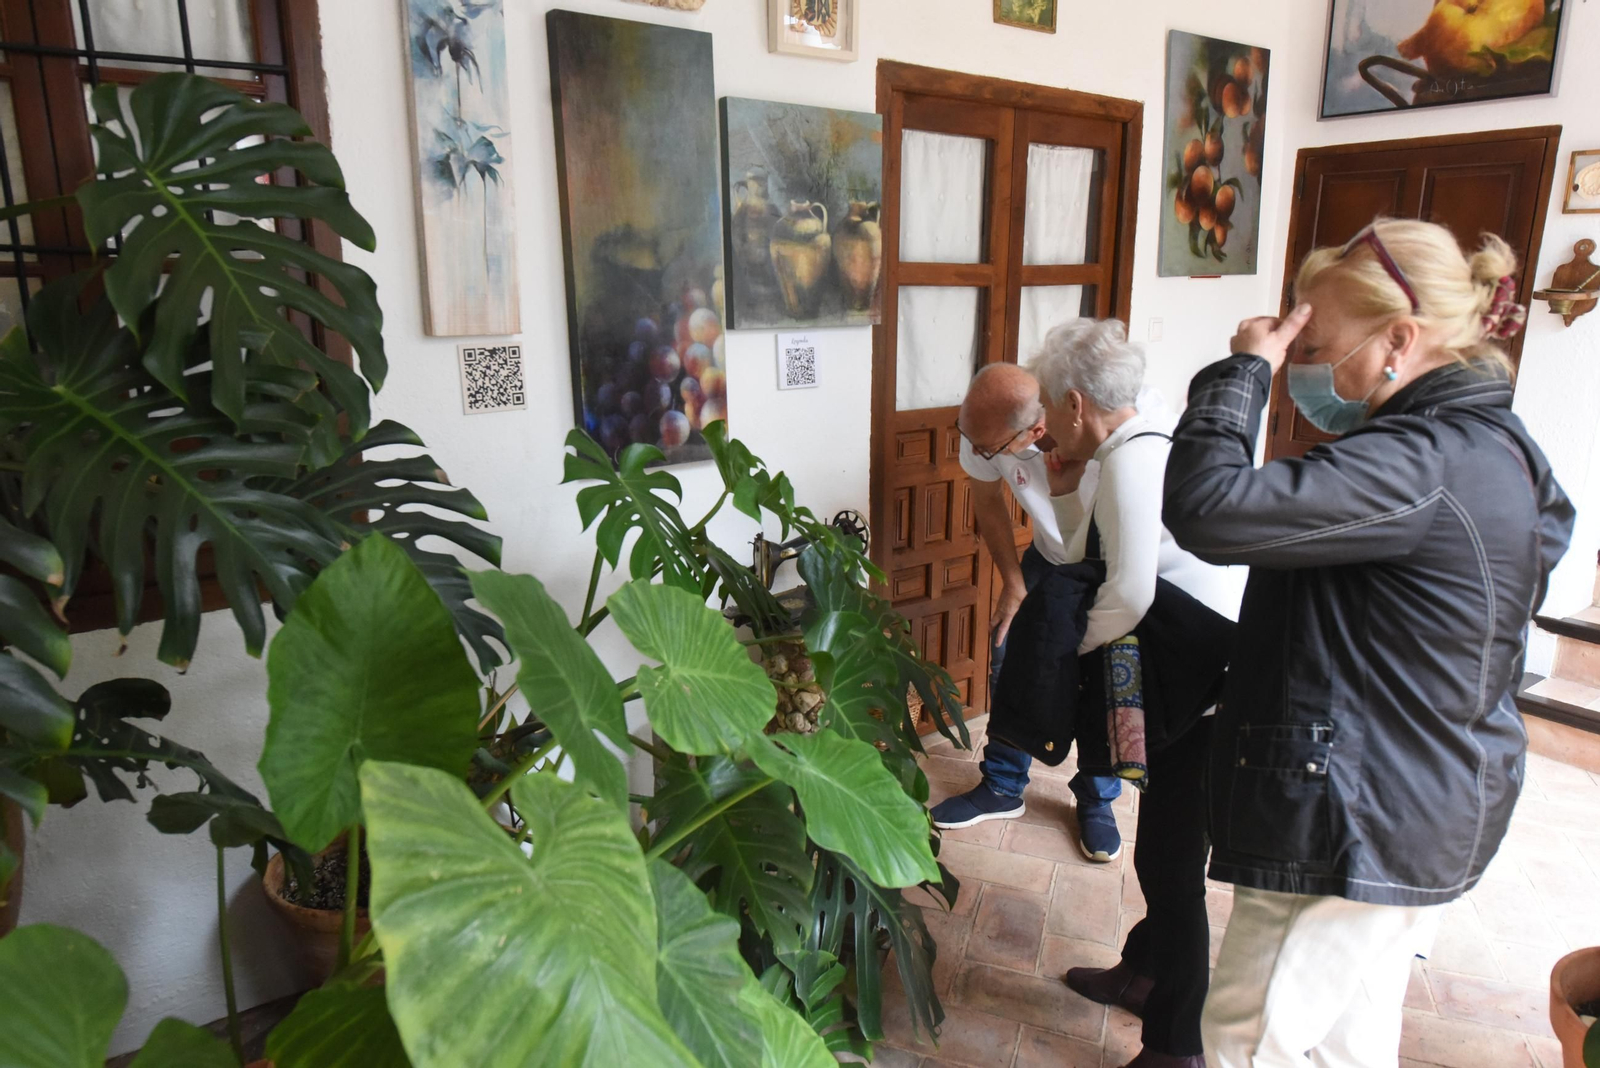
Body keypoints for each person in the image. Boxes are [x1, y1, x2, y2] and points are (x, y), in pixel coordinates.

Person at [1162, 219, 1574, 1068]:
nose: (1301, 357)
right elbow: (1551, 536)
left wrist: (1243, 370)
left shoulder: (1422, 461)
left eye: (1314, 339)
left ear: (1399, 338)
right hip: (1419, 793)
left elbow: (1208, 507)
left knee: (1247, 1040)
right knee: (1343, 1045)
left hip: (1357, 813)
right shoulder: (1494, 447)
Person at [1027, 318, 1241, 1068]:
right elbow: (1086, 547)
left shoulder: (1129, 461)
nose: (1044, 425)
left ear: (1076, 404)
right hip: (1195, 671)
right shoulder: (1134, 442)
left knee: (1173, 868)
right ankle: (1145, 974)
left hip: (1211, 682)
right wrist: (1052, 486)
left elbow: (1131, 592)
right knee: (1163, 847)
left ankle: (1178, 1046)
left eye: (1048, 408)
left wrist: (1067, 651)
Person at [929, 360, 1124, 862]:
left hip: (1110, 565)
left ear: (1037, 430)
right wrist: (1013, 583)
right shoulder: (984, 430)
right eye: (967, 436)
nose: (974, 452)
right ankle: (1002, 784)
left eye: (987, 448)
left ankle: (1097, 799)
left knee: (1102, 676)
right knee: (1008, 653)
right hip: (1049, 558)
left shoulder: (1108, 442)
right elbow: (989, 504)